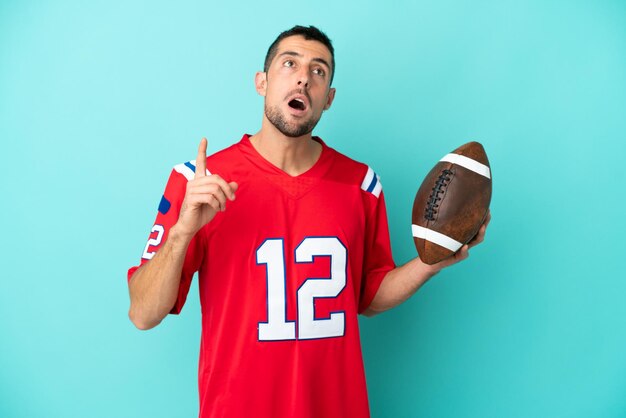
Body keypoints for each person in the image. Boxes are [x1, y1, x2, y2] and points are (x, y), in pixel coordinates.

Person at [127, 25, 489, 418]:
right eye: (289, 63)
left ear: (328, 99)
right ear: (261, 82)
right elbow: (143, 313)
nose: (303, 76)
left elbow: (365, 296)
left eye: (319, 71)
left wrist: (430, 264)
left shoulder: (361, 184)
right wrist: (182, 232)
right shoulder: (198, 181)